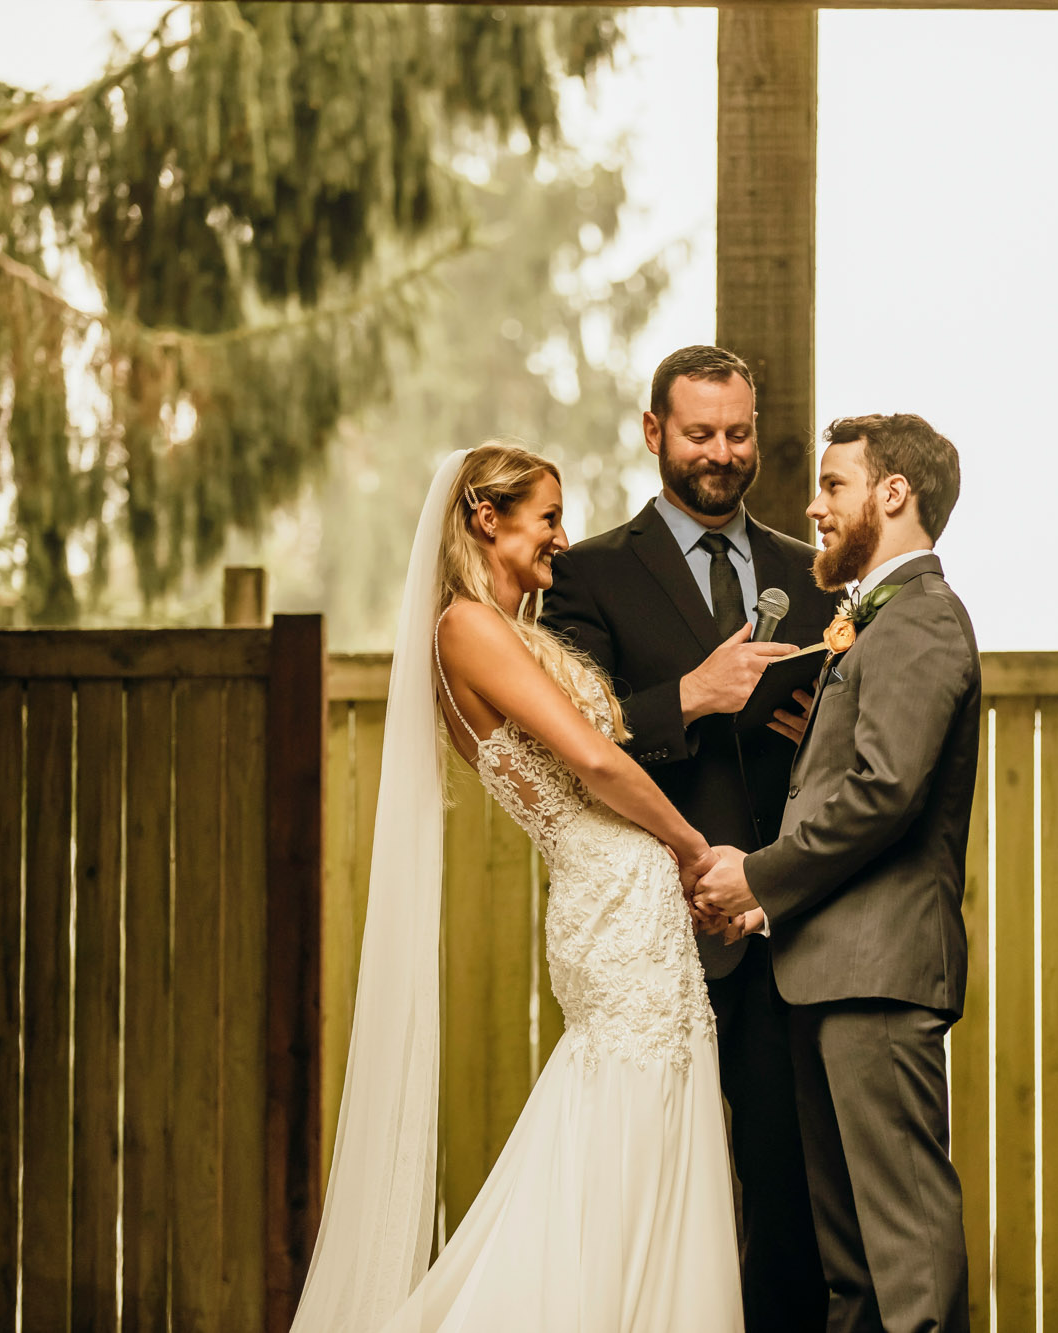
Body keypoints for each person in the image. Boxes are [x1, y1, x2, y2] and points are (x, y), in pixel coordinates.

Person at [291, 443, 742, 1332]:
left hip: (622, 896)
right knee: (618, 1118)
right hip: (609, 897)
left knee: (646, 1109)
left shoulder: (517, 632)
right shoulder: (465, 628)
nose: (563, 539)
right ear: (485, 518)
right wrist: (692, 847)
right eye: (547, 518)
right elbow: (589, 759)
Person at [542, 345, 833, 1329]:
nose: (721, 452)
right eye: (700, 432)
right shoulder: (586, 576)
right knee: (647, 1183)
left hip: (783, 927)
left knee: (783, 1196)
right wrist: (688, 698)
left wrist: (819, 734)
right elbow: (567, 738)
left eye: (738, 433)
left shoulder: (813, 575)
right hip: (655, 932)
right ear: (653, 432)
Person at [693, 413, 979, 1333]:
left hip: (880, 974)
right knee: (850, 1268)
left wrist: (762, 877)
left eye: (833, 485)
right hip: (829, 974)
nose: (813, 507)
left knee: (904, 1256)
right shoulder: (874, 621)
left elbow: (883, 793)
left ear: (894, 493)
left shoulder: (925, 621)